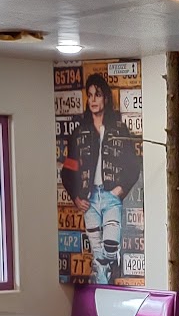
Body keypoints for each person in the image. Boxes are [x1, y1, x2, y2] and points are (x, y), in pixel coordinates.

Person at [59, 74, 141, 283]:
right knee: (97, 253)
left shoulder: (120, 130)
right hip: (89, 199)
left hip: (111, 195)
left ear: (106, 98)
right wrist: (76, 197)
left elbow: (133, 165)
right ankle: (104, 288)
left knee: (111, 246)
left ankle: (112, 265)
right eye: (90, 96)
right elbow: (68, 170)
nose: (93, 100)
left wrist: (120, 190)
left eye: (98, 95)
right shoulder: (79, 133)